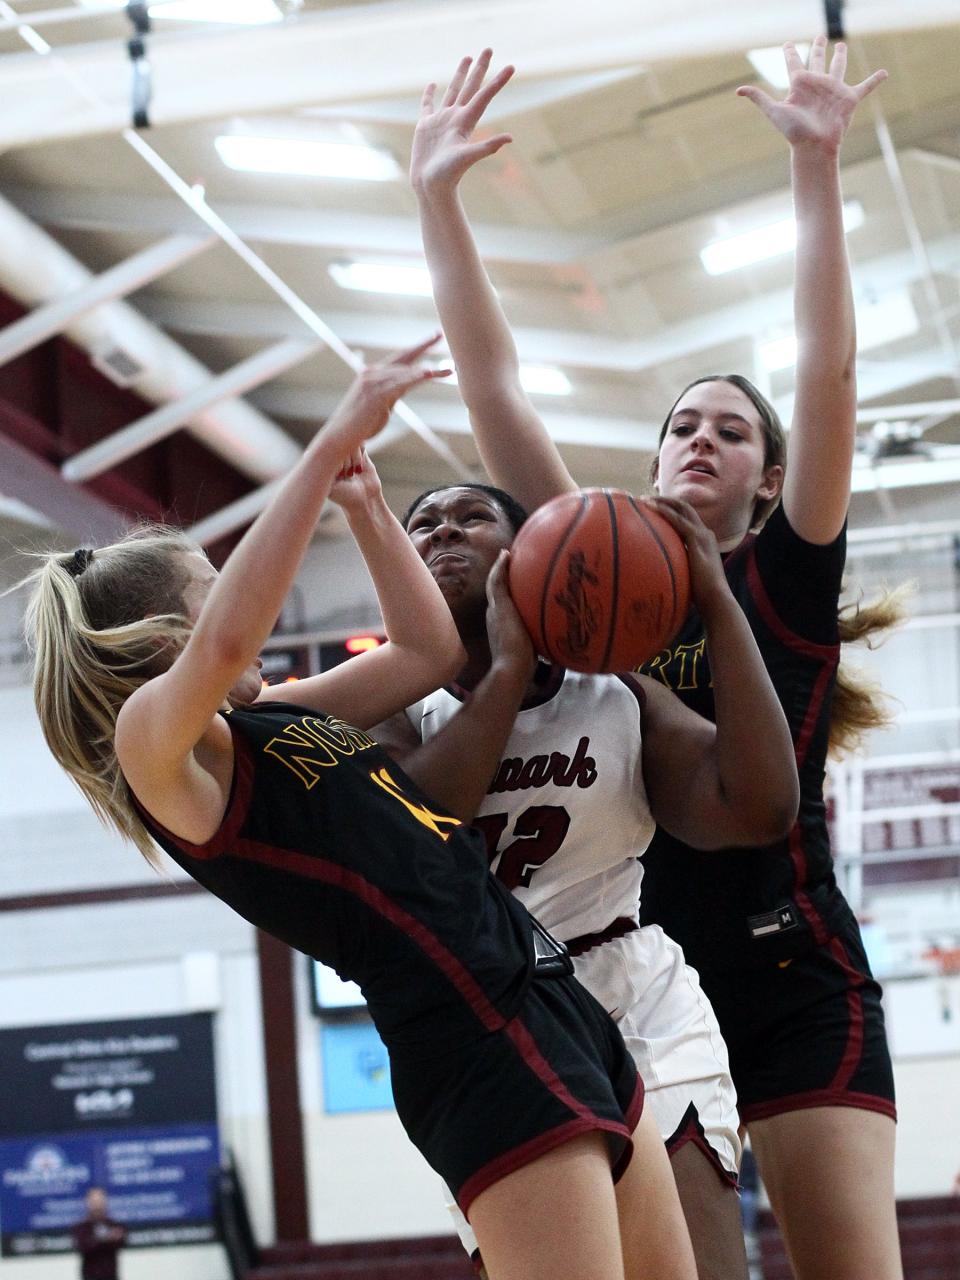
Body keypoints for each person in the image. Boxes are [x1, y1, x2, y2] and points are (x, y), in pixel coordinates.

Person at [23, 339, 700, 1280]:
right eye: (217, 590)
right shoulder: (155, 753)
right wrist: (327, 437)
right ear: (174, 636)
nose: (249, 613)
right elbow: (225, 641)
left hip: (553, 999)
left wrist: (369, 504)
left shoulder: (272, 717)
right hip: (470, 1038)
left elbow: (421, 652)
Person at [410, 43, 903, 1280]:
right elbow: (494, 387)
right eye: (682, 422)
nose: (700, 439)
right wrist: (438, 202)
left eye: (731, 430)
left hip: (789, 959)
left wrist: (814, 163)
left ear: (770, 478)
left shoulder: (784, 570)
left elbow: (829, 371)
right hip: (634, 956)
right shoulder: (597, 578)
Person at [375, 477, 798, 1280]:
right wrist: (505, 670)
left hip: (632, 995)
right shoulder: (389, 712)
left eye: (474, 519)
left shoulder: (619, 698)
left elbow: (761, 808)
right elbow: (425, 837)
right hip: (493, 1019)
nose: (443, 534)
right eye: (423, 525)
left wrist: (715, 604)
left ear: (536, 550)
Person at [73, 1187, 125, 1280]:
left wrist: (105, 1239)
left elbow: (121, 1241)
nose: (97, 1205)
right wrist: (106, 1238)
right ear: (88, 1203)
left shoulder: (113, 1225)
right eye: (94, 1202)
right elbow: (83, 1246)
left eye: (100, 1201)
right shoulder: (81, 1228)